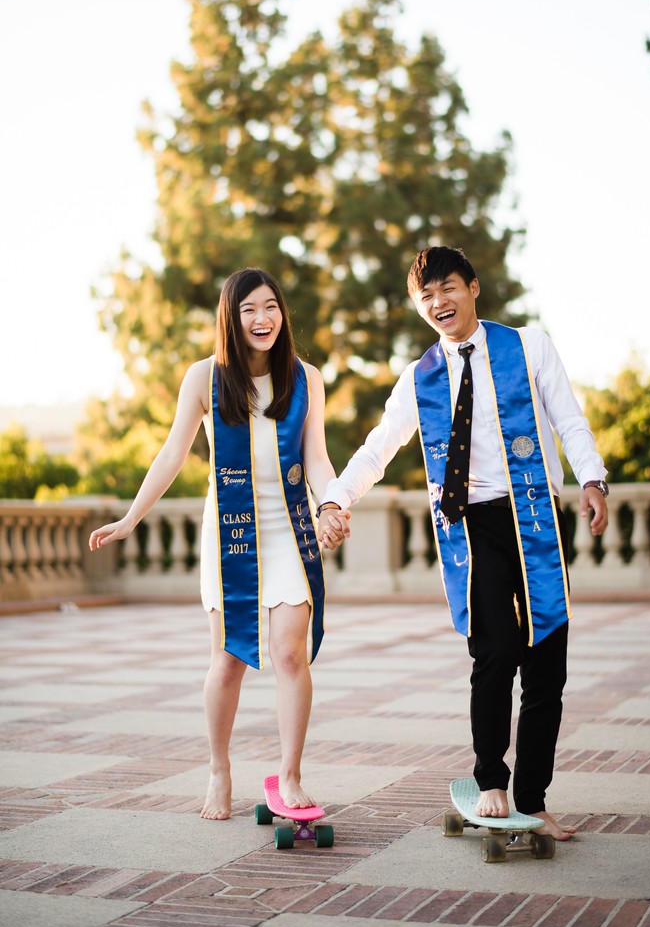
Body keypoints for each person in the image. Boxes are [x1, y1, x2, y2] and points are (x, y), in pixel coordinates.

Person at [318, 245, 608, 841]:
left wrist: (593, 478)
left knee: (547, 663)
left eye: (447, 288)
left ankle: (535, 796)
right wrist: (336, 499)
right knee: (495, 651)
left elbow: (568, 419)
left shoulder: (529, 346)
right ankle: (491, 780)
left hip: (534, 519)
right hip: (469, 528)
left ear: (473, 287)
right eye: (425, 296)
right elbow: (380, 446)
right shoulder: (420, 376)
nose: (437, 302)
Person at [90, 267, 349, 821]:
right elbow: (172, 454)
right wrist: (131, 519)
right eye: (249, 309)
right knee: (229, 659)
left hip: (288, 526)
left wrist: (332, 503)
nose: (262, 319)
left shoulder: (307, 378)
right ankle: (218, 768)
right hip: (229, 531)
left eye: (271, 306)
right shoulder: (205, 378)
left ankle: (291, 773)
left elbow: (319, 458)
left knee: (288, 654)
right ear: (230, 319)